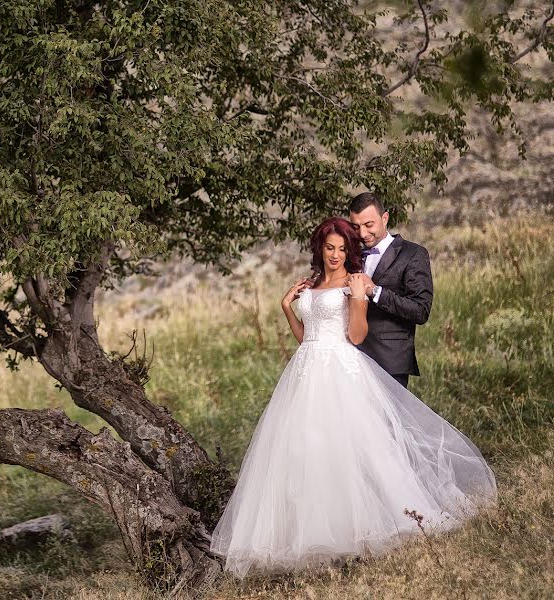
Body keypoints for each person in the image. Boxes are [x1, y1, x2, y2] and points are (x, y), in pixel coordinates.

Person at [208, 216, 497, 580]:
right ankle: (309, 535)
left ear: (350, 252)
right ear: (320, 248)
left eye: (343, 248)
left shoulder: (352, 282)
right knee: (303, 449)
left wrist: (360, 300)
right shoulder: (312, 282)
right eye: (330, 248)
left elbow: (357, 337)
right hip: (304, 370)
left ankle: (364, 529)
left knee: (350, 449)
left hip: (339, 369)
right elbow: (305, 337)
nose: (335, 254)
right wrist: (286, 308)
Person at [348, 192, 433, 389]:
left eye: (369, 225)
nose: (362, 234)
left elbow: (420, 310)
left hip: (390, 361)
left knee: (388, 421)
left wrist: (375, 291)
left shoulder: (413, 254)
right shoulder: (351, 255)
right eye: (356, 227)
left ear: (385, 218)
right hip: (351, 360)